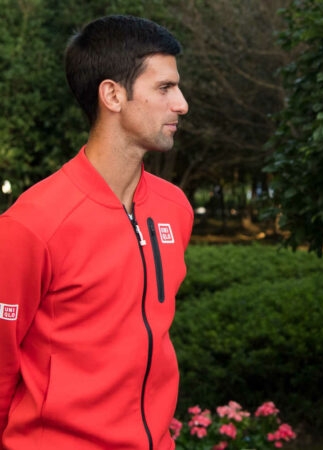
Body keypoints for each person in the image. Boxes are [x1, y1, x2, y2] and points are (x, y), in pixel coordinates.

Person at [0, 15, 193, 449]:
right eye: (164, 88)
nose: (181, 103)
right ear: (113, 95)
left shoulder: (174, 209)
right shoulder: (31, 226)